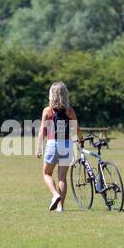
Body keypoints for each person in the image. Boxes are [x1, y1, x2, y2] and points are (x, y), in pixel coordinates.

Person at [36, 82, 84, 212]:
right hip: (67, 144)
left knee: (46, 173)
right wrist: (81, 139)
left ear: (51, 95)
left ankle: (55, 194)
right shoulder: (70, 111)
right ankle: (60, 207)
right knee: (62, 178)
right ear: (65, 94)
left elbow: (42, 131)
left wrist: (39, 147)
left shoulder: (48, 110)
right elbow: (76, 129)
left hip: (53, 143)